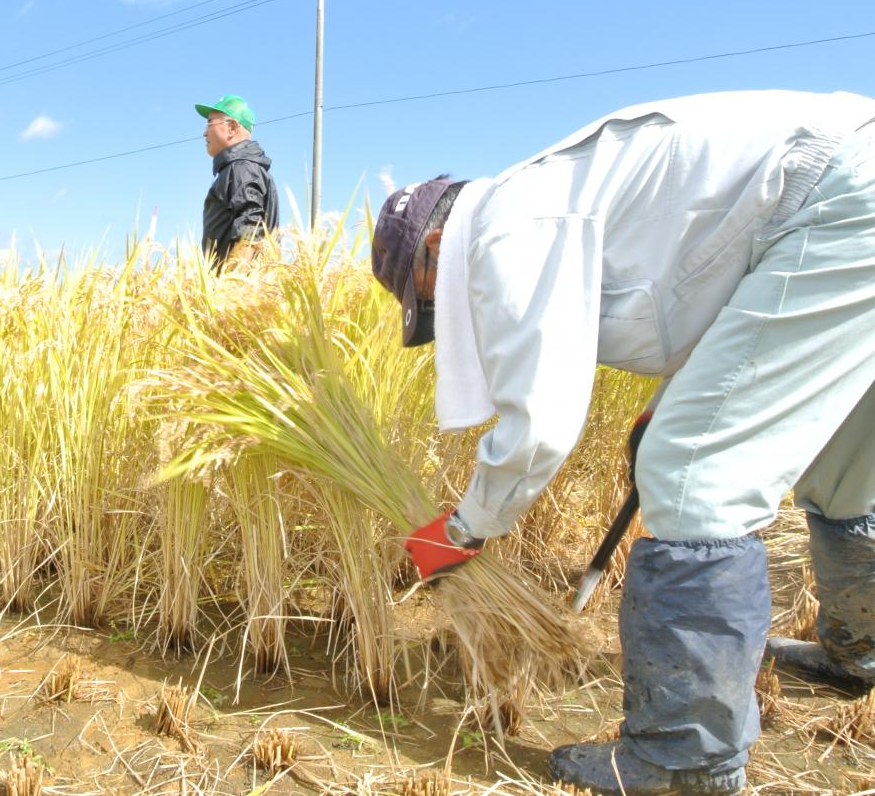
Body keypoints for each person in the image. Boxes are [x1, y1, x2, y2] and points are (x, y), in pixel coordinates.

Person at [370, 90, 875, 795]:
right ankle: (859, 655)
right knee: (847, 463)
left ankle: (683, 762)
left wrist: (464, 529)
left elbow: (539, 424)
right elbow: (723, 286)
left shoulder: (501, 228)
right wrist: (667, 405)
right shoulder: (546, 194)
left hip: (840, 202)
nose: (438, 313)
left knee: (692, 477)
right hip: (850, 187)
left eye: (424, 294)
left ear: (433, 247)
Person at [195, 94, 279, 270]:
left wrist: (233, 287)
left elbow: (249, 234)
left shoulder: (241, 168)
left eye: (210, 123)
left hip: (236, 290)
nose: (204, 132)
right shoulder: (243, 167)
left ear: (232, 127)